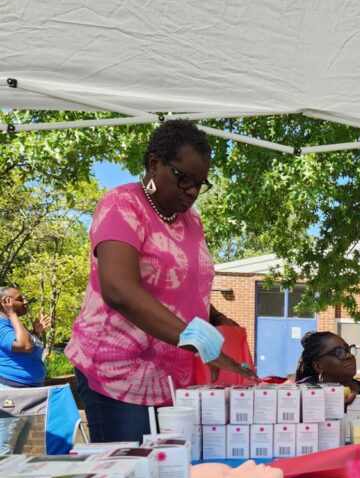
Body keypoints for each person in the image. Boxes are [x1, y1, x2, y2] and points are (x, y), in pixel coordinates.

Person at [66, 119, 253, 443]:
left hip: (172, 375)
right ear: (154, 163)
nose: (192, 192)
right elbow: (118, 290)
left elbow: (181, 288)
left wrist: (217, 319)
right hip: (118, 373)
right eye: (184, 179)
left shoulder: (192, 222)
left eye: (200, 183)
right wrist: (200, 341)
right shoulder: (122, 205)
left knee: (170, 477)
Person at [295, 331, 360, 412]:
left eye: (348, 350)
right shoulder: (302, 393)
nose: (349, 355)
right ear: (318, 366)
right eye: (338, 352)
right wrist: (332, 410)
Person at [0, 285, 50, 387]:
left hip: (30, 386)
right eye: (20, 299)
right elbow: (25, 346)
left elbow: (29, 352)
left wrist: (36, 333)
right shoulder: (1, 325)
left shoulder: (15, 325)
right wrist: (12, 314)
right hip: (12, 388)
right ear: (4, 302)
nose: (25, 302)